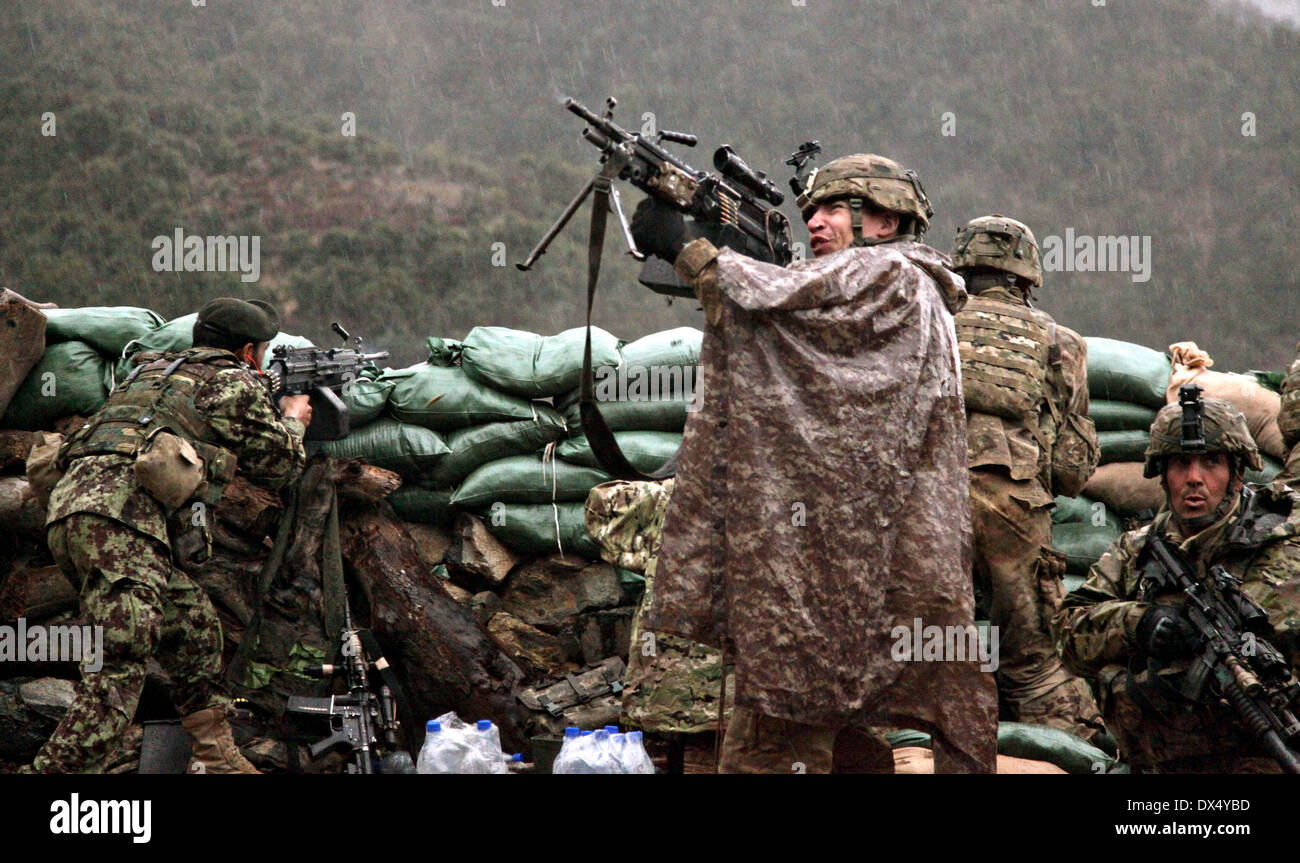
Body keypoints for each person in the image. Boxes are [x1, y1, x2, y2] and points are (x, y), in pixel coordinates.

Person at [631, 154, 998, 773]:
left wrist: (690, 249)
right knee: (808, 718)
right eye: (810, 212)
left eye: (833, 209)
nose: (816, 224)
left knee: (776, 728)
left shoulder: (887, 275)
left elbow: (766, 307)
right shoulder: (911, 286)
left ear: (881, 220)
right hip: (856, 553)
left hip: (826, 563)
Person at [25, 297, 311, 774]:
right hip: (120, 526)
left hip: (72, 514)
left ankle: (217, 757)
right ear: (248, 352)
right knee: (117, 670)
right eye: (260, 352)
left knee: (193, 626)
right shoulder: (232, 381)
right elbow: (279, 466)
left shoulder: (148, 370)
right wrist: (294, 422)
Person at [1054, 390, 1300, 772]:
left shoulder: (1286, 546)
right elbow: (1067, 635)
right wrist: (1138, 622)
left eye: (1212, 463)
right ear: (1163, 475)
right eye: (1181, 464)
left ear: (1237, 475)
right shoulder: (1137, 551)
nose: (1194, 479)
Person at [948, 215, 1104, 741]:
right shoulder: (1061, 342)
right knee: (1036, 666)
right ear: (1027, 274)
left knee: (928, 658)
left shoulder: (931, 322)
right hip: (1015, 512)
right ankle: (1061, 748)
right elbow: (1069, 471)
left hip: (927, 507)